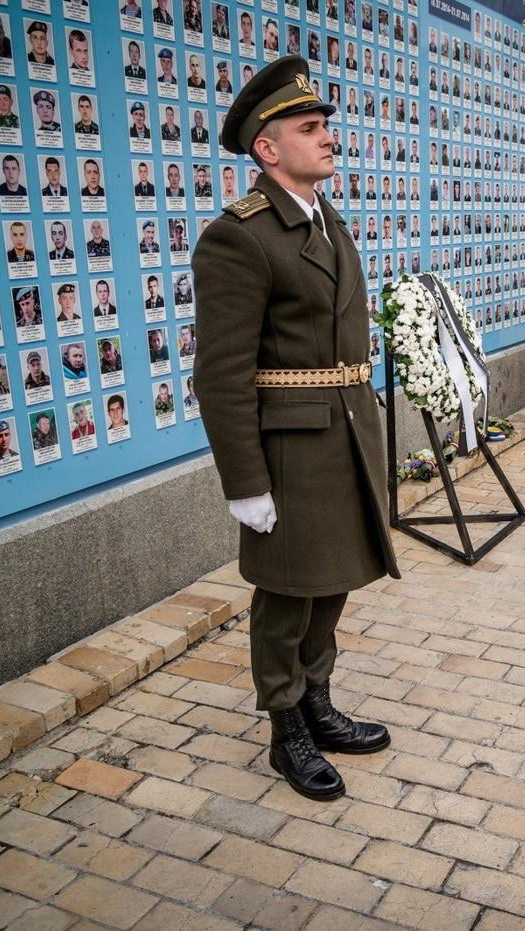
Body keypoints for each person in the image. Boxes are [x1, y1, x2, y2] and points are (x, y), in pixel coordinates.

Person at [195, 56, 398, 802]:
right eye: (308, 129)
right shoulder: (240, 237)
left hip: (344, 434)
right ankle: (286, 728)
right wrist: (245, 484)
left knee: (334, 579)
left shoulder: (325, 218)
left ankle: (318, 699)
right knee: (286, 595)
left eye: (325, 126)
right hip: (290, 450)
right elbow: (219, 375)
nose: (327, 138)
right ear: (267, 149)